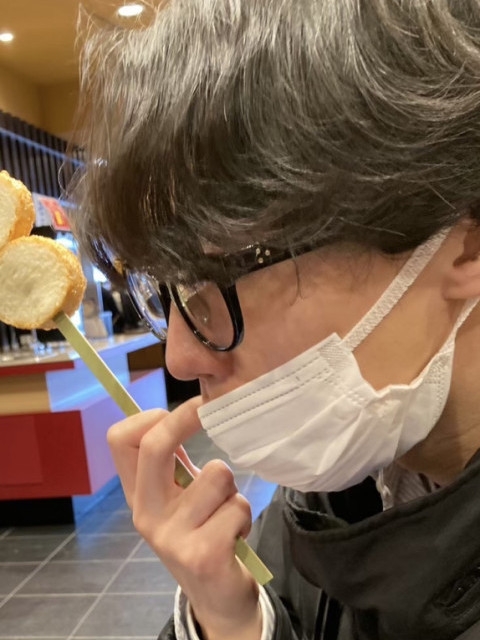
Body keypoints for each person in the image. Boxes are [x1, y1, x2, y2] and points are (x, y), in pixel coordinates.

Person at [72, 2, 480, 638]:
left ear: (466, 244)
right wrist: (228, 615)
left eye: (218, 278)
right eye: (168, 290)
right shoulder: (339, 478)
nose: (179, 356)